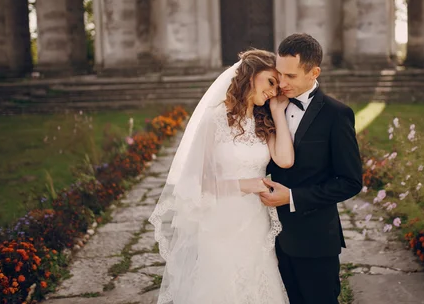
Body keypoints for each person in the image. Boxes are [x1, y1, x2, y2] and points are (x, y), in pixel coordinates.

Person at [149, 49, 292, 304]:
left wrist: (278, 112)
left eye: (277, 87)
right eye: (271, 82)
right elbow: (195, 185)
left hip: (256, 222)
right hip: (220, 221)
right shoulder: (214, 119)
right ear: (250, 74)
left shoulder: (264, 121)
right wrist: (245, 185)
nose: (273, 91)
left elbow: (285, 159)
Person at [260, 33, 363, 304]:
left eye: (290, 77)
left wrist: (292, 197)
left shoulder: (336, 115)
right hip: (267, 236)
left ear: (314, 72)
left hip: (314, 240)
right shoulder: (267, 107)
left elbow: (350, 181)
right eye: (279, 74)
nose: (282, 83)